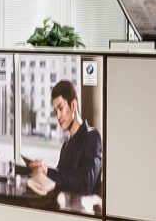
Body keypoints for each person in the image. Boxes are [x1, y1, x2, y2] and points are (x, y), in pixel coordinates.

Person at [27, 77, 103, 207]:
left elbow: (86, 184)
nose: (58, 116)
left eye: (60, 108)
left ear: (73, 105)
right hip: (63, 208)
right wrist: (42, 171)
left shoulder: (92, 137)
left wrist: (47, 171)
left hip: (82, 213)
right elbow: (61, 177)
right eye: (55, 111)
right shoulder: (66, 145)